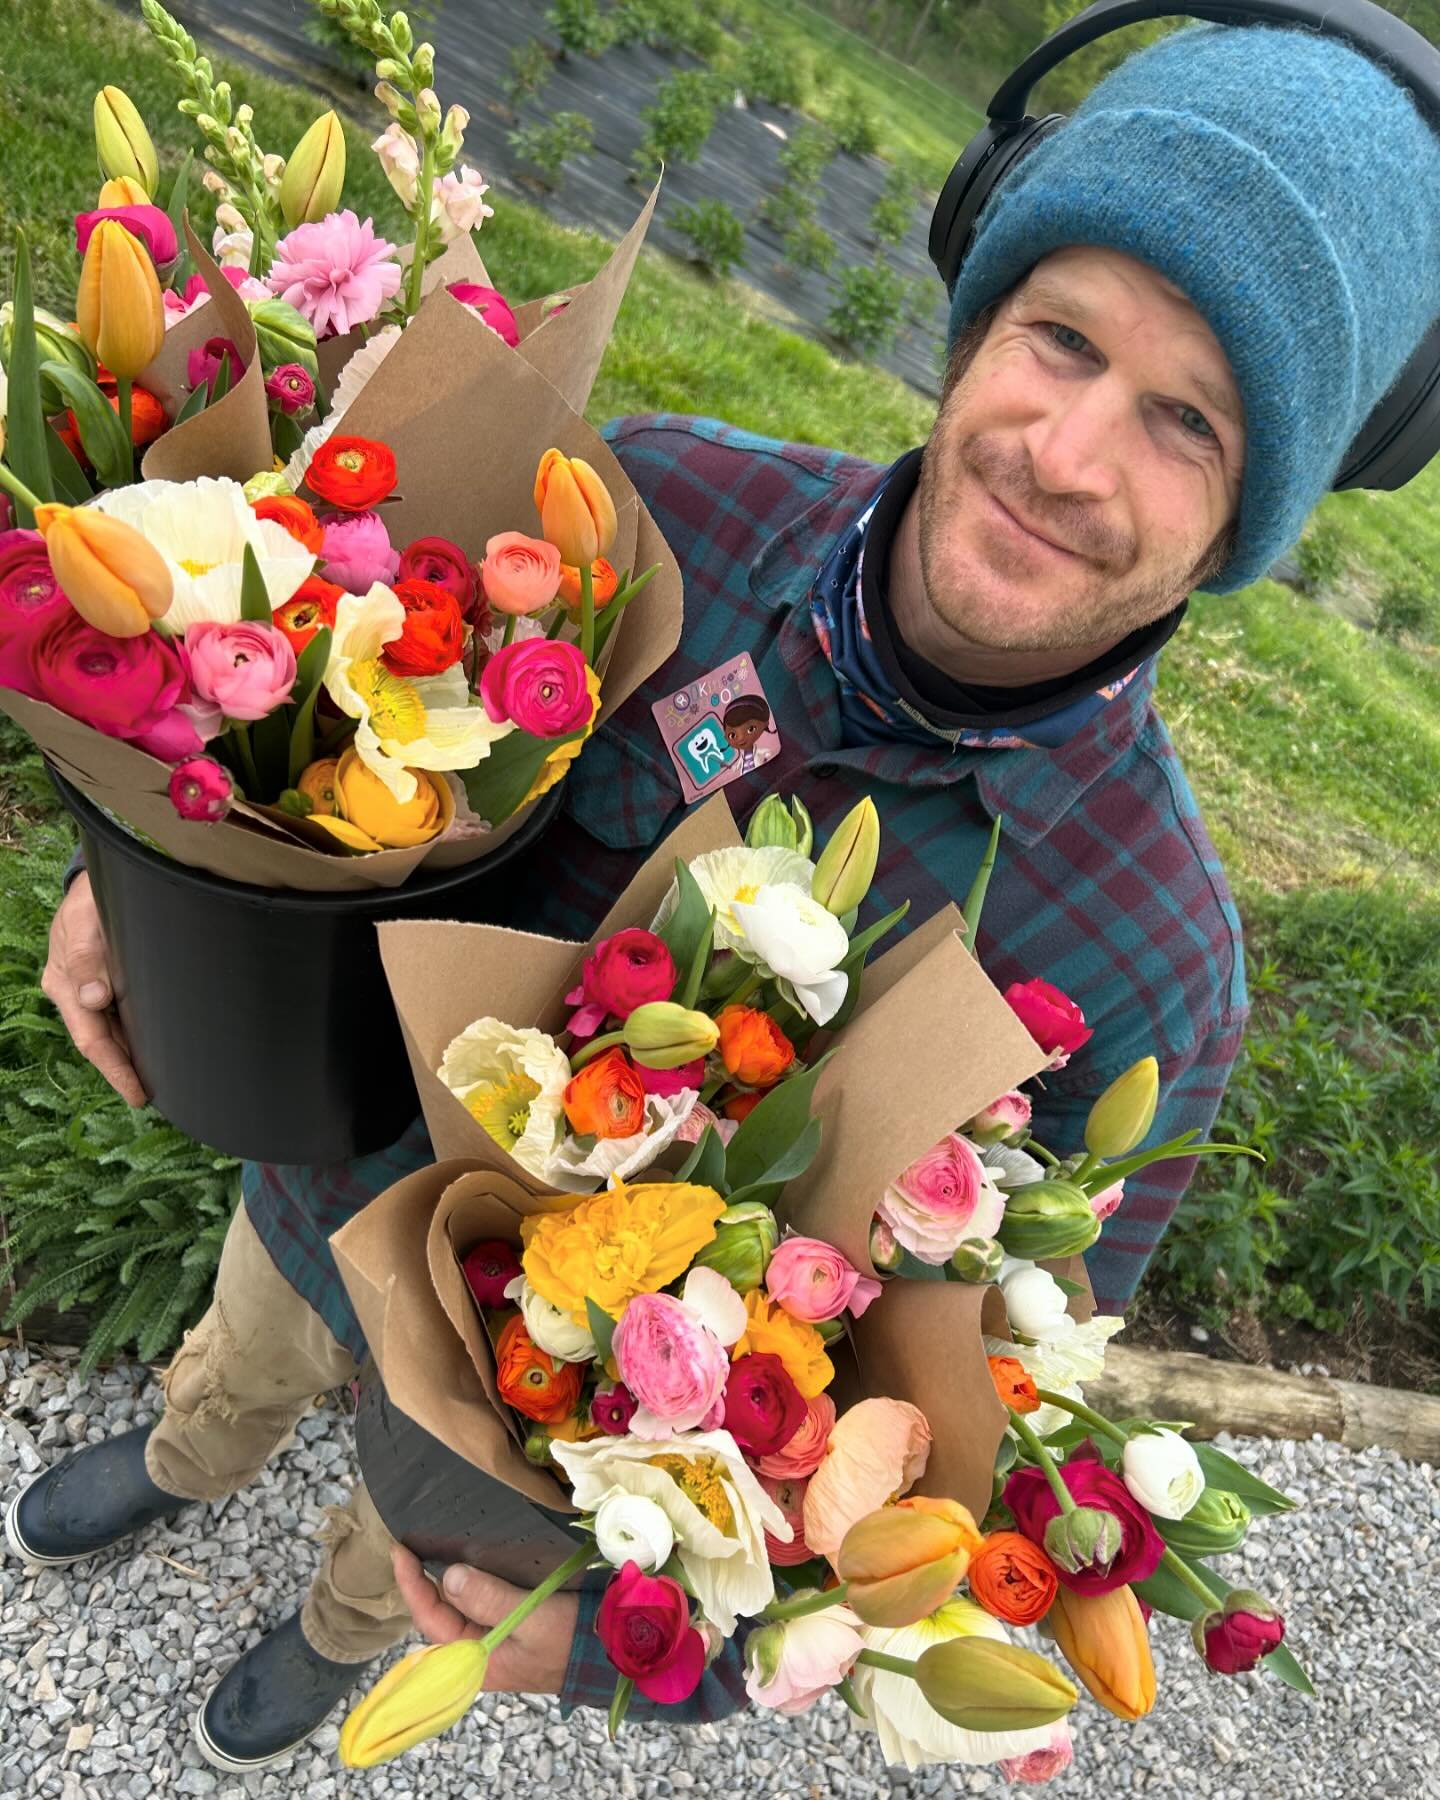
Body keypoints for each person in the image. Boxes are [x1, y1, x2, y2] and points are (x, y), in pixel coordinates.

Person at [9, 17, 1439, 1774]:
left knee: (402, 1555)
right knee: (245, 1351)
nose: (1067, 455)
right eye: (1060, 337)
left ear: (1246, 526)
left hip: (523, 1415)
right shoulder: (654, 501)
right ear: (978, 309)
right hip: (315, 1174)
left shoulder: (1146, 960)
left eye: (1186, 426)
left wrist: (591, 1658)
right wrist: (138, 871)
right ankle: (183, 1456)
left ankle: (334, 1628)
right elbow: (301, 714)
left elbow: (964, 1439)